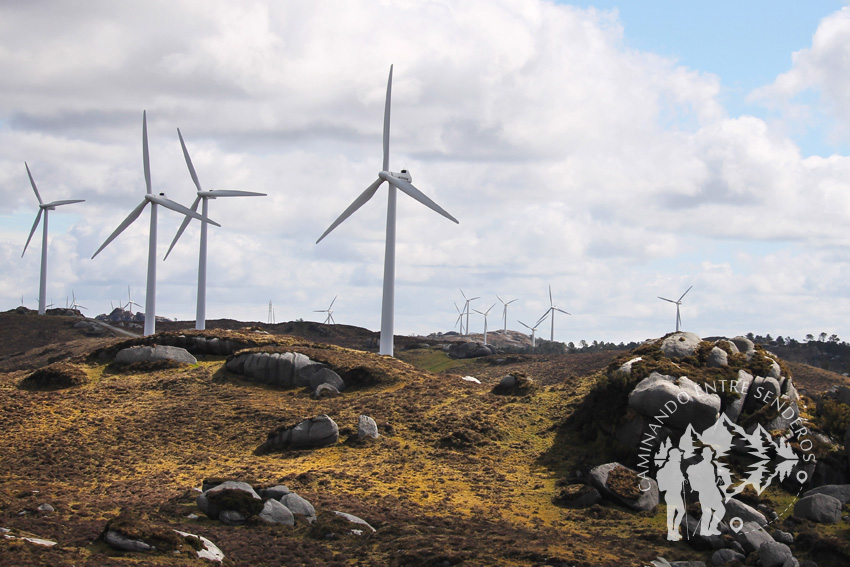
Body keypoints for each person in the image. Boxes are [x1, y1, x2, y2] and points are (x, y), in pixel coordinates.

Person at [686, 447, 725, 536]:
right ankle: (705, 530)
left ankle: (712, 527)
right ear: (704, 455)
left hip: (712, 491)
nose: (709, 456)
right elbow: (691, 471)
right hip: (705, 491)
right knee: (706, 511)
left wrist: (717, 481)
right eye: (707, 454)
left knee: (720, 510)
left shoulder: (710, 466)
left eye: (710, 454)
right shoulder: (701, 465)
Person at [656, 447, 686, 541]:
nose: (680, 457)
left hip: (676, 493)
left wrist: (681, 479)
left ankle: (675, 530)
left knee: (681, 511)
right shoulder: (670, 466)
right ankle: (670, 533)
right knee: (672, 514)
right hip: (672, 493)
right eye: (679, 456)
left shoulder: (676, 466)